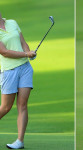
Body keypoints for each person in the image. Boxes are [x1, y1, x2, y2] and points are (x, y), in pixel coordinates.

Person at [0, 13, 36, 149]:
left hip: (25, 68)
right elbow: (4, 52)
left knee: (22, 105)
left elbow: (22, 42)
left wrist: (29, 53)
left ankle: (20, 141)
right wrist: (26, 54)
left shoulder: (12, 22)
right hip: (9, 72)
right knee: (5, 107)